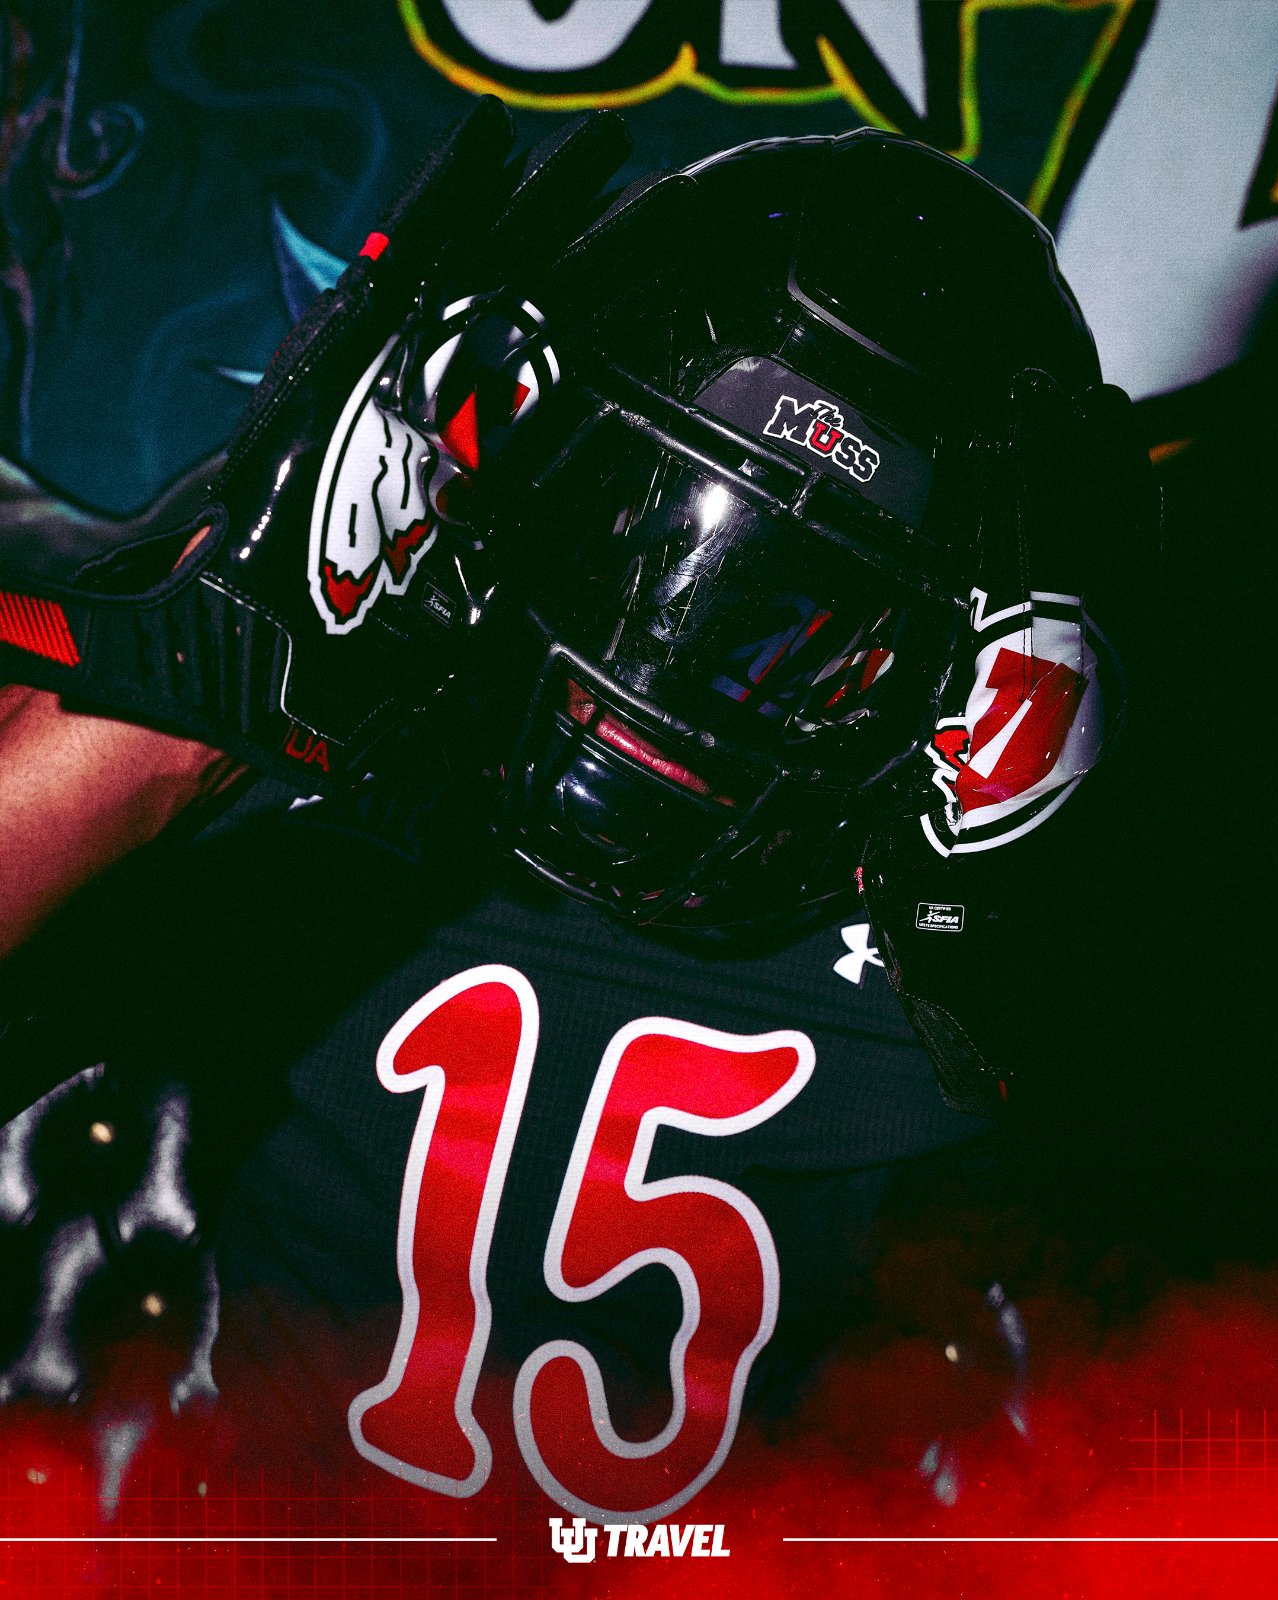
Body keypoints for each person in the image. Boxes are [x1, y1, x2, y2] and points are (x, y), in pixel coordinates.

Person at [0, 103, 1167, 1521]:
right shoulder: (330, 721)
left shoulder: (991, 975)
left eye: (788, 619)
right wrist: (189, 705)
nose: (656, 672)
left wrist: (1035, 930)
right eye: (638, 531)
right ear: (526, 468)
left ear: (966, 668)